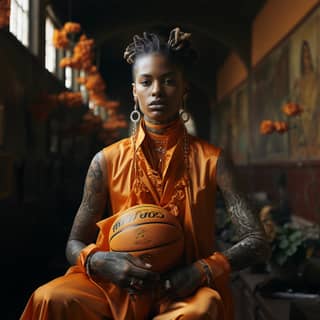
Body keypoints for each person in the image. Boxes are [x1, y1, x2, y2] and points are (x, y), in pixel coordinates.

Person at [20, 27, 270, 320]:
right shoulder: (106, 160)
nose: (157, 91)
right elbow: (73, 243)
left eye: (168, 81)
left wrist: (202, 270)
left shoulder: (214, 160)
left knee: (202, 309)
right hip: (114, 286)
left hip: (185, 289)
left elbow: (257, 241)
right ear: (134, 92)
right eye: (146, 82)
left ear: (184, 89)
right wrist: (100, 261)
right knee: (49, 298)